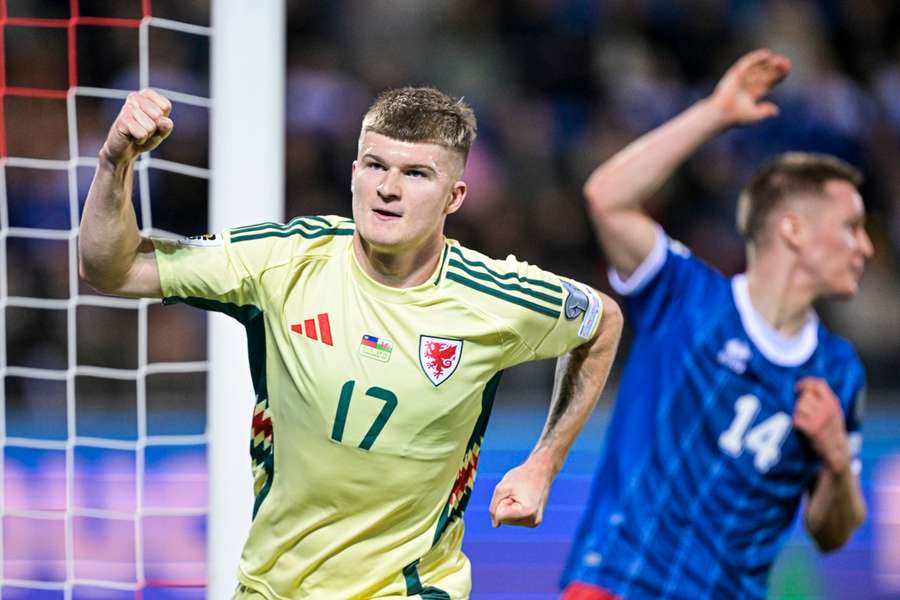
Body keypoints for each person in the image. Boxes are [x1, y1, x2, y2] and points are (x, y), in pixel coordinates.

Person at [79, 86, 623, 599]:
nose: (388, 188)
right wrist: (114, 162)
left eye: (415, 173)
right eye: (376, 166)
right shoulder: (282, 262)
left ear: (454, 197)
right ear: (354, 172)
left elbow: (602, 322)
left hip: (412, 587)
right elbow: (113, 269)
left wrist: (543, 464)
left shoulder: (493, 297)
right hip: (273, 586)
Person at [561, 49, 870, 599]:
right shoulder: (686, 296)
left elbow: (831, 531)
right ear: (794, 230)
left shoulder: (838, 369)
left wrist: (838, 461)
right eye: (850, 227)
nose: (865, 247)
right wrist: (715, 113)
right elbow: (605, 197)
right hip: (620, 583)